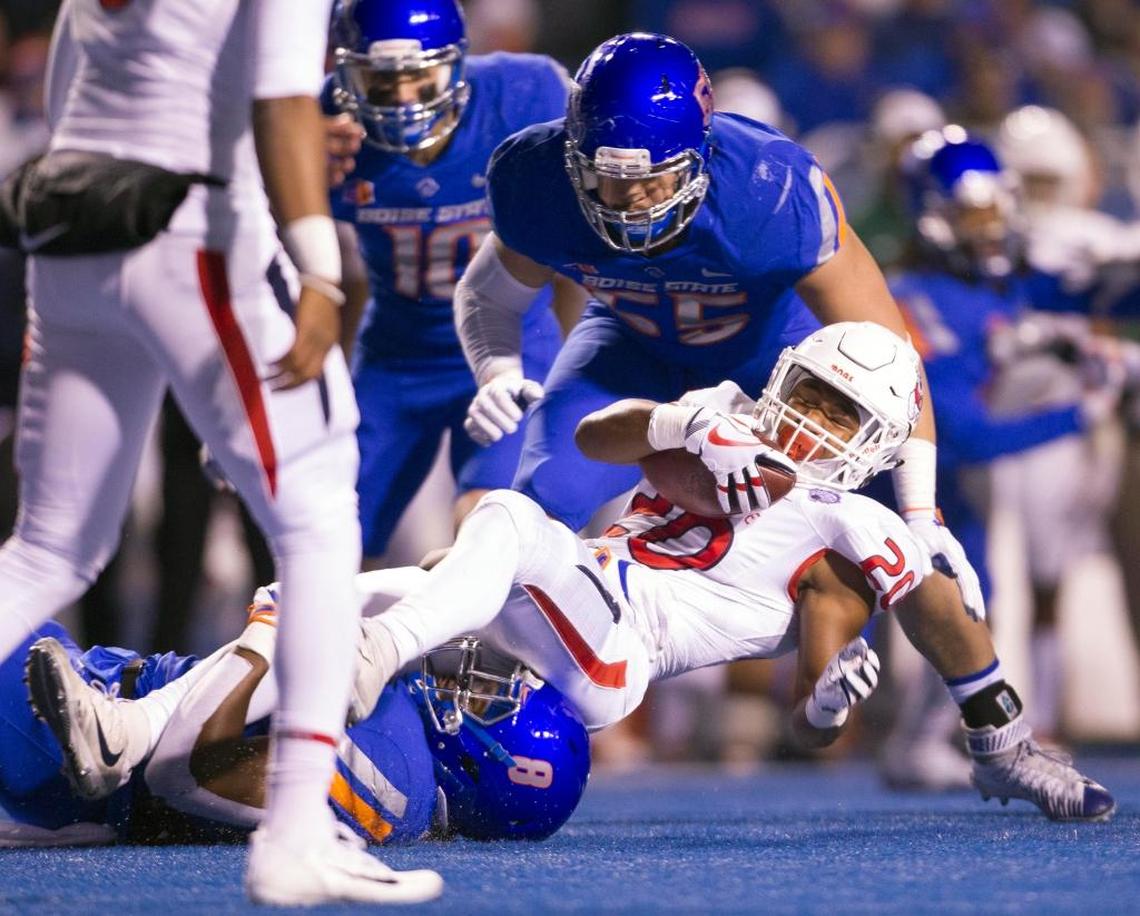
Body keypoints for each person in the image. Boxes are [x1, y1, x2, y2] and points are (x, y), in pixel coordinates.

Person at [0, 0, 434, 904]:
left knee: (47, 551)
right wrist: (317, 266)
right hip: (189, 233)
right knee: (317, 515)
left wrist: (269, 136)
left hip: (71, 230)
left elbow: (79, 97)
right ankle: (296, 835)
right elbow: (279, 99)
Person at [352, 321, 1115, 822]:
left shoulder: (844, 522)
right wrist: (684, 421)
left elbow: (814, 719)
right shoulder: (725, 411)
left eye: (840, 414)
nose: (812, 420)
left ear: (875, 445)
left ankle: (1006, 745)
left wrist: (834, 703)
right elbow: (592, 437)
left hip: (615, 651)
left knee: (510, 520)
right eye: (811, 395)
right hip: (560, 603)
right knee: (327, 600)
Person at [454, 31, 983, 623]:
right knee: (540, 503)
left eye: (653, 178)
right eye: (611, 178)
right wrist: (497, 369)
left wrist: (921, 514)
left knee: (848, 538)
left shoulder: (771, 190)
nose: (631, 201)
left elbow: (893, 356)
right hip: (629, 340)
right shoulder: (538, 178)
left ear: (701, 153)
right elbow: (488, 293)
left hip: (768, 354)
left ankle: (973, 697)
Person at [877, 127, 1134, 783]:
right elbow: (963, 434)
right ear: (934, 219)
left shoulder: (1004, 285)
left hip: (943, 487)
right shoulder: (912, 299)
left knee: (970, 592)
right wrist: (1083, 410)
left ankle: (919, 738)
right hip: (881, 479)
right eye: (973, 213)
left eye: (998, 209)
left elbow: (1094, 294)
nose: (991, 228)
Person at [323, 0, 581, 562]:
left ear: (458, 64)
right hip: (394, 360)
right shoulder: (326, 130)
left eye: (419, 76)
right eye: (381, 82)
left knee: (489, 533)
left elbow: (581, 228)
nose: (404, 99)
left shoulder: (524, 95)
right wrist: (290, 169)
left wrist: (574, 362)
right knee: (325, 540)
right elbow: (259, 249)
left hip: (513, 346)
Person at [14, 597, 588, 846]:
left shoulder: (399, 776)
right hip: (89, 692)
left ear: (492, 765)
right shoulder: (404, 740)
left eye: (489, 700)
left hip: (59, 751)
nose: (467, 684)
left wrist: (269, 634)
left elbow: (184, 773)